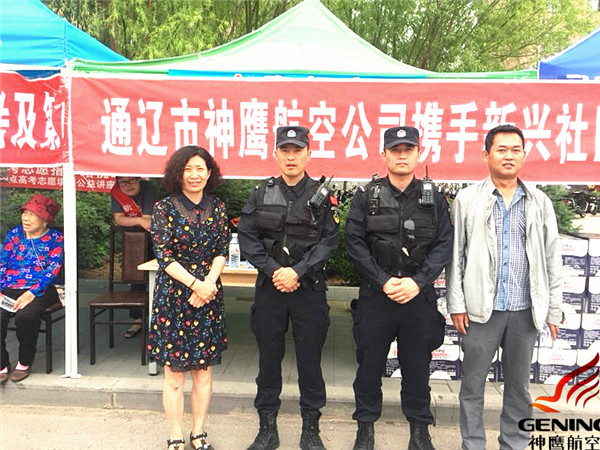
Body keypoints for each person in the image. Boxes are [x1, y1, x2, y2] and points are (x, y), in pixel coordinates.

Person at [446, 124, 562, 450]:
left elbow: (552, 258)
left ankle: (514, 443)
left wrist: (553, 308)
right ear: (486, 155)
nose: (508, 156)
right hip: (482, 310)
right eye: (501, 150)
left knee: (519, 388)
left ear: (523, 155)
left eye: (515, 150)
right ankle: (473, 444)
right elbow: (456, 255)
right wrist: (456, 303)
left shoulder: (539, 202)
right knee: (472, 386)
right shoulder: (467, 199)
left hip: (525, 311)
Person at [345, 126, 453, 450]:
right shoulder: (366, 195)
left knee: (417, 369)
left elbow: (444, 244)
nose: (402, 155)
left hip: (417, 298)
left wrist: (417, 283)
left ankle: (419, 432)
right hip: (377, 297)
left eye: (408, 149)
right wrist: (383, 280)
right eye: (395, 150)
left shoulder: (434, 198)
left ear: (419, 154)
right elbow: (354, 243)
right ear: (384, 155)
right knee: (369, 368)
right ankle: (365, 430)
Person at [238, 126, 339, 450]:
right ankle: (267, 429)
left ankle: (311, 430)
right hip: (271, 290)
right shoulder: (261, 193)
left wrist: (297, 271)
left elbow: (329, 241)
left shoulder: (321, 195)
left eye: (297, 150)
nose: (291, 157)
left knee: (310, 362)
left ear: (308, 154)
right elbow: (247, 238)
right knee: (268, 361)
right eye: (285, 150)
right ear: (276, 154)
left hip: (308, 290)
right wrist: (275, 271)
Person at [147, 146, 229, 450]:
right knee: (174, 376)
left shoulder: (218, 207)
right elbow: (164, 256)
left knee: (203, 372)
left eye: (200, 169)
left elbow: (221, 250)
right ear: (178, 174)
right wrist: (196, 284)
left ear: (209, 173)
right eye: (187, 169)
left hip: (208, 295)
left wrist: (208, 284)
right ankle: (175, 435)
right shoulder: (163, 208)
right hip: (174, 297)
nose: (194, 175)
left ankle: (198, 433)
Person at [0, 194, 64, 383]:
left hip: (42, 288)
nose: (26, 218)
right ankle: (1, 363)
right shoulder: (14, 234)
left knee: (25, 316)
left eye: (32, 214)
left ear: (45, 220)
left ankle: (25, 360)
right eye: (24, 213)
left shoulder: (56, 238)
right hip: (11, 286)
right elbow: (2, 262)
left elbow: (53, 269)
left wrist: (32, 292)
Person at [110, 176, 159, 338]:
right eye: (123, 182)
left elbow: (148, 221)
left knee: (159, 278)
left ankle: (159, 319)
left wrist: (133, 220)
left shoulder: (149, 189)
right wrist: (138, 220)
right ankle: (138, 319)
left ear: (139, 180)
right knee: (136, 278)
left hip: (157, 239)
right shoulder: (116, 193)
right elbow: (118, 219)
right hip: (134, 241)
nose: (128, 185)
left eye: (131, 181)